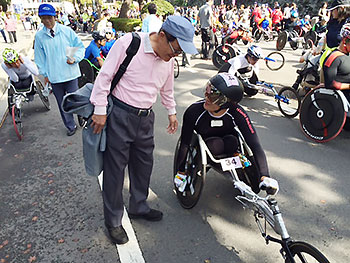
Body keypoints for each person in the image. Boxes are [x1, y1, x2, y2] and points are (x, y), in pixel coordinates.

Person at [89, 15, 198, 245]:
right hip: (119, 114)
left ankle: (139, 205)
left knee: (143, 165)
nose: (175, 56)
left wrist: (171, 111)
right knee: (115, 170)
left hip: (146, 117)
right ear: (162, 36)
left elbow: (167, 87)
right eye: (175, 49)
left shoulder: (168, 59)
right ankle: (114, 221)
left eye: (180, 53)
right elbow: (105, 76)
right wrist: (99, 108)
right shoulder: (130, 43)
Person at [174, 73, 279, 195]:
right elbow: (185, 143)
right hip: (208, 146)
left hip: (230, 143)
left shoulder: (238, 113)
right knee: (216, 144)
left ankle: (239, 164)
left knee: (231, 141)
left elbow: (255, 145)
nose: (206, 97)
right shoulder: (194, 111)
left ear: (226, 102)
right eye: (207, 91)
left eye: (213, 96)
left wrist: (265, 176)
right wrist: (181, 171)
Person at [34, 4, 85, 136]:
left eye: (49, 17)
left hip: (70, 73)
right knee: (62, 103)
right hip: (54, 76)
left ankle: (81, 116)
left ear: (55, 17)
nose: (47, 21)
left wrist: (75, 58)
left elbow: (79, 47)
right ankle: (70, 125)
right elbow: (40, 58)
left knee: (75, 99)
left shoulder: (66, 31)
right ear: (40, 19)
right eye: (43, 18)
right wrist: (45, 74)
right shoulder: (39, 36)